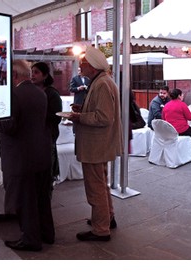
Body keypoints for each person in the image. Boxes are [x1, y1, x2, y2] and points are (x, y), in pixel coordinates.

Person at [0, 60, 54, 251]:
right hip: (41, 154)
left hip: (21, 157)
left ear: (14, 75)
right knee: (41, 199)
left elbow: (9, 127)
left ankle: (30, 239)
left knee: (25, 201)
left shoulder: (13, 94)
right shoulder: (40, 92)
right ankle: (47, 234)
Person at [67, 46, 122, 242]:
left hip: (96, 145)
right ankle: (108, 218)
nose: (80, 67)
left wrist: (79, 117)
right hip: (99, 144)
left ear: (92, 66)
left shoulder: (101, 84)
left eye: (83, 64)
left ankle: (101, 229)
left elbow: (103, 117)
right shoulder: (102, 81)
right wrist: (83, 109)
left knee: (95, 187)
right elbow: (101, 112)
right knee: (101, 184)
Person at [31, 62, 63, 184]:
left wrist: (37, 115)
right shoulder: (31, 91)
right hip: (33, 135)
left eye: (36, 72)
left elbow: (57, 116)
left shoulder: (52, 93)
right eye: (31, 72)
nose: (32, 75)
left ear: (44, 76)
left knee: (45, 170)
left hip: (47, 135)